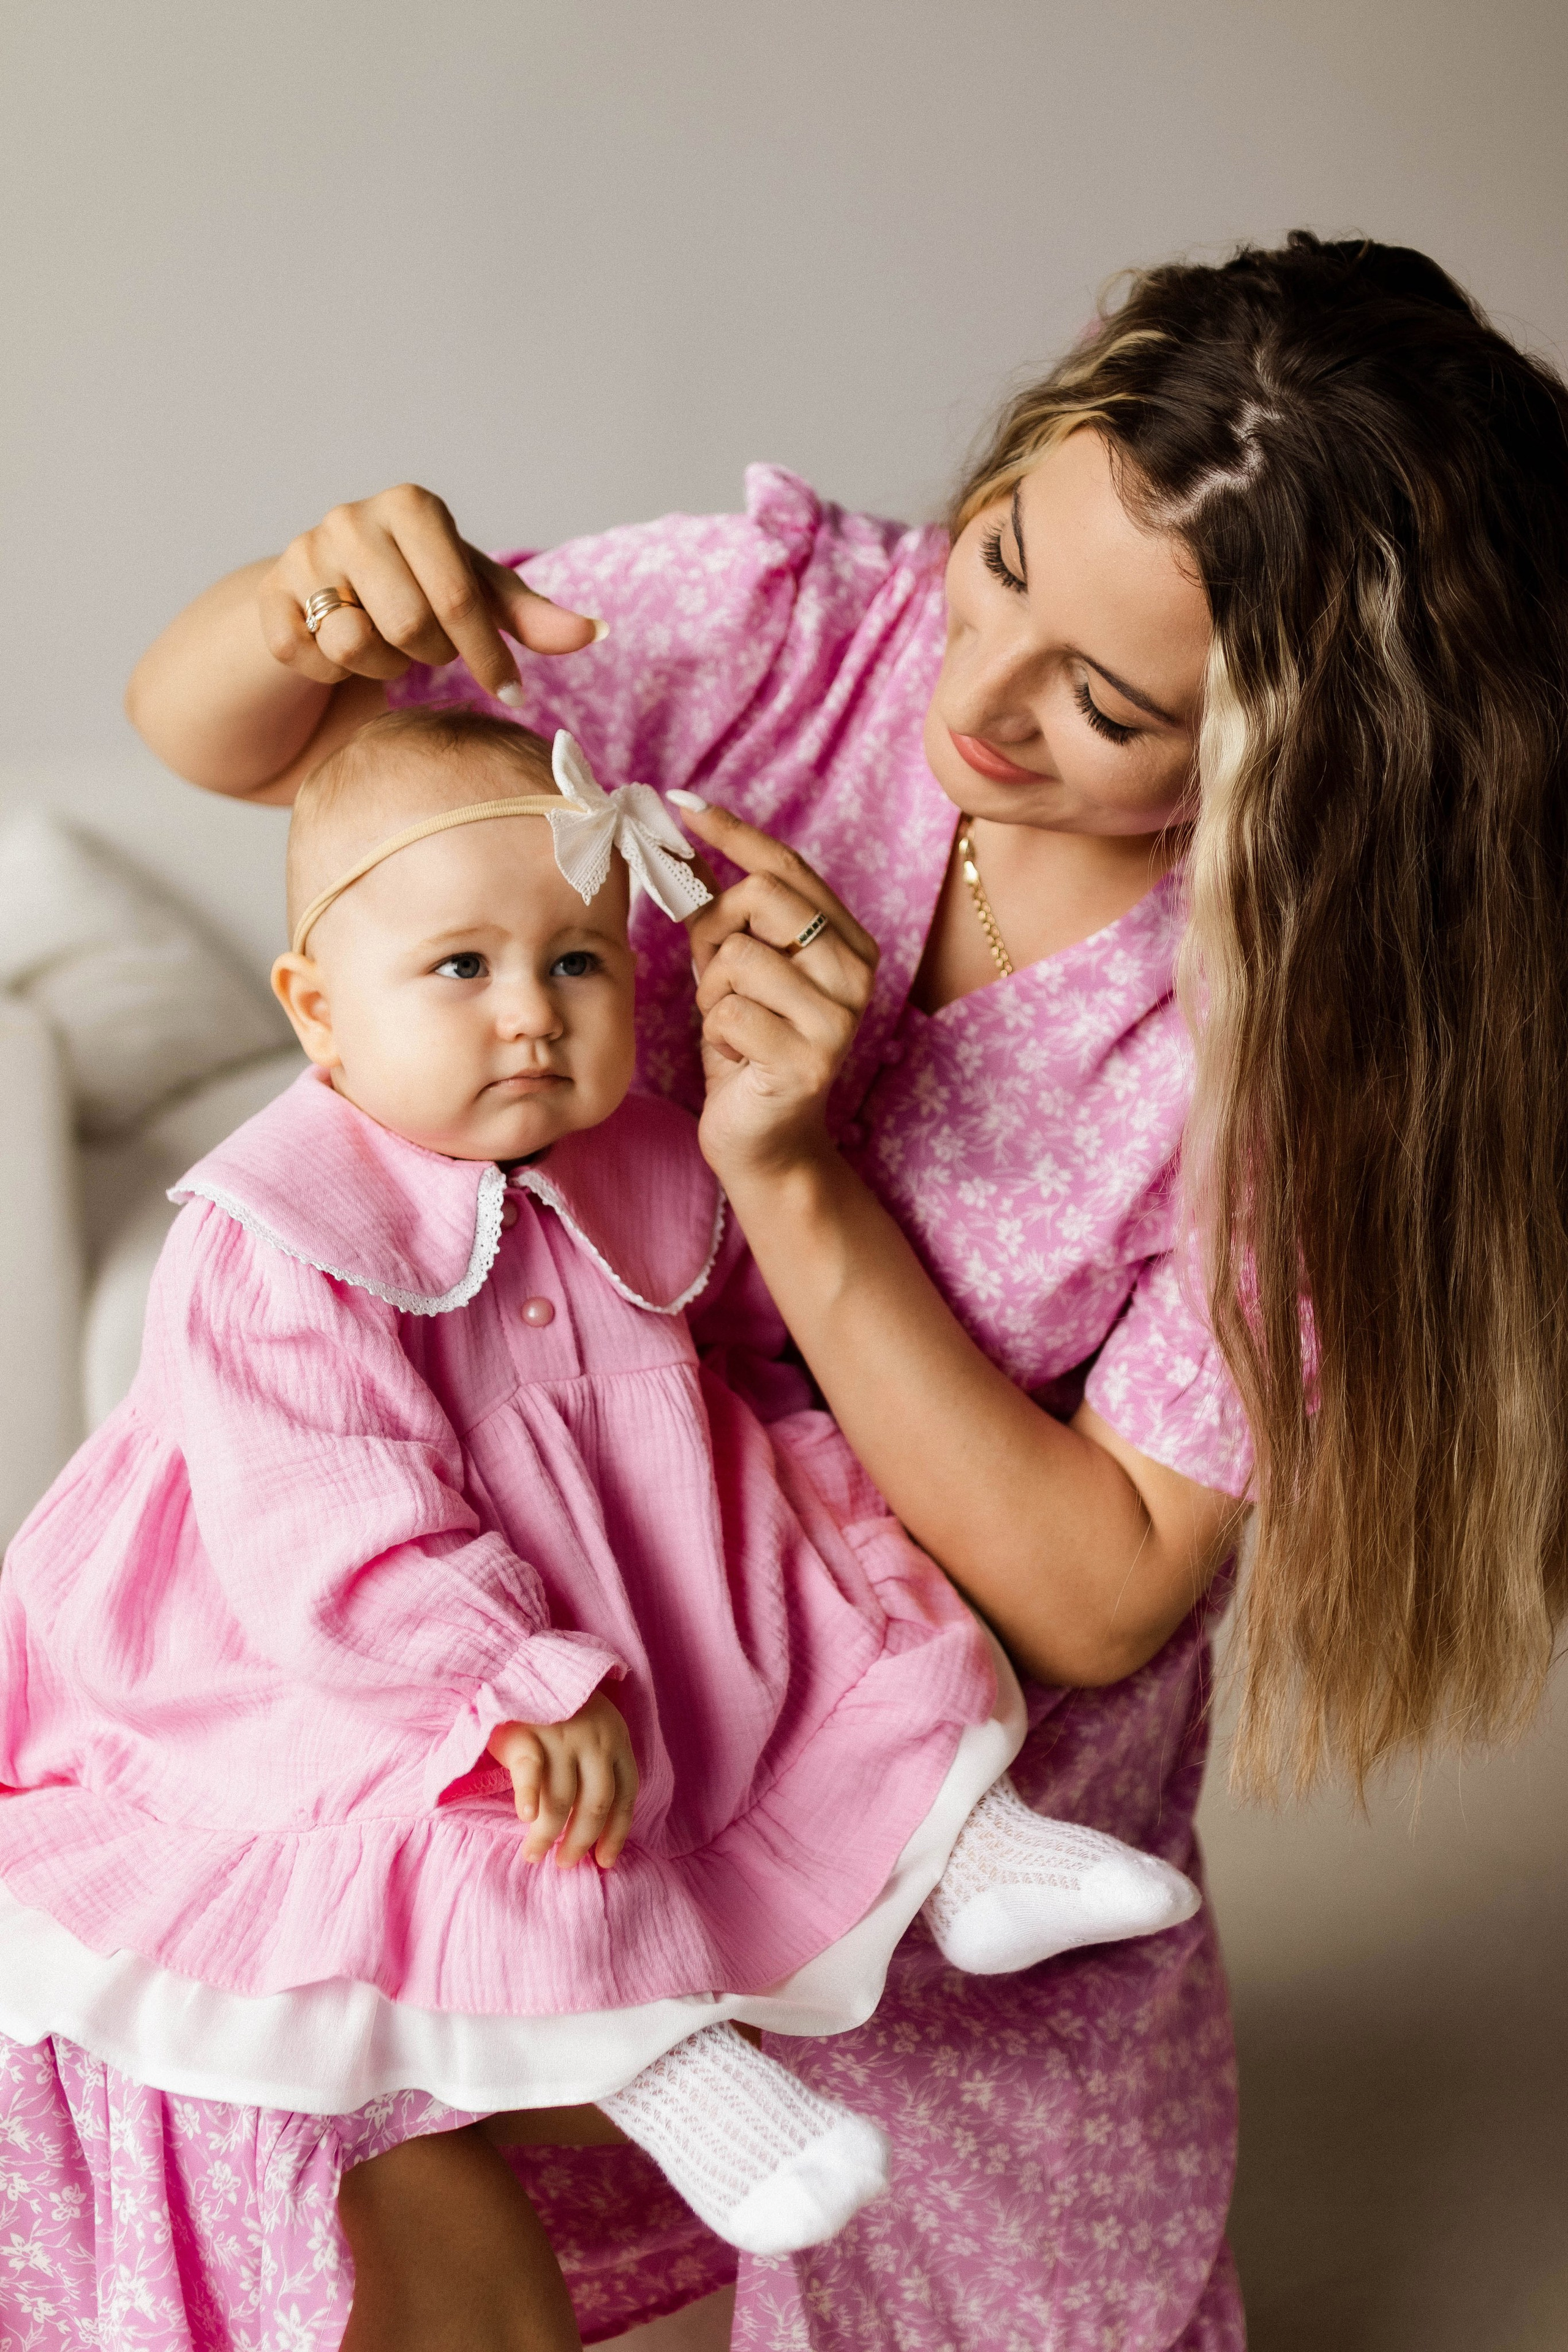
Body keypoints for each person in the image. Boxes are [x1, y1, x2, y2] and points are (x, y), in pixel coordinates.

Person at [112, 230, 1568, 2350]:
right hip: (530, 1666)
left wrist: (787, 1178)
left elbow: (1099, 1593)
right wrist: (296, 606)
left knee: (988, 2261)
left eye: (1105, 705)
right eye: (1002, 562)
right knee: (301, 2142)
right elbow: (268, 754)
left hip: (952, 1765)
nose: (974, 701)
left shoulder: (1318, 1051)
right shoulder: (794, 633)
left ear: (1315, 765)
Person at [0, 706, 1197, 2346]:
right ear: (319, 1008)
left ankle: (964, 1841)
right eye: (462, 969)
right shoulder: (277, 1232)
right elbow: (332, 1510)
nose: (531, 1015)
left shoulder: (626, 1154)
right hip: (362, 1629)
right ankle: (665, 2066)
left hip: (618, 1539)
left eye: (574, 963)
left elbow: (732, 1322)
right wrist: (503, 1672)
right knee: (496, 1807)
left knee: (823, 1536)